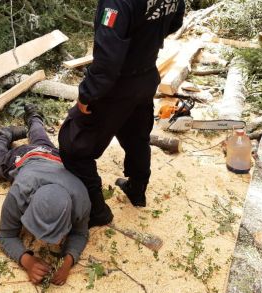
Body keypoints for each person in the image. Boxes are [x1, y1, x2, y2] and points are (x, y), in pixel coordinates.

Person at [58, 0, 186, 227]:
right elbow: (174, 22)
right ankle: (137, 190)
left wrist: (87, 94)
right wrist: (145, 39)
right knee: (136, 135)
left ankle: (97, 212)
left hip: (117, 85)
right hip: (146, 77)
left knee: (73, 145)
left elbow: (108, 59)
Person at [0, 104, 90, 285]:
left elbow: (80, 233)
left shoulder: (81, 199)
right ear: (29, 203)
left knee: (41, 140)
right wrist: (27, 261)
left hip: (53, 156)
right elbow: (5, 235)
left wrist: (68, 262)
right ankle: (5, 135)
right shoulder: (20, 192)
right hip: (24, 158)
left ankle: (35, 118)